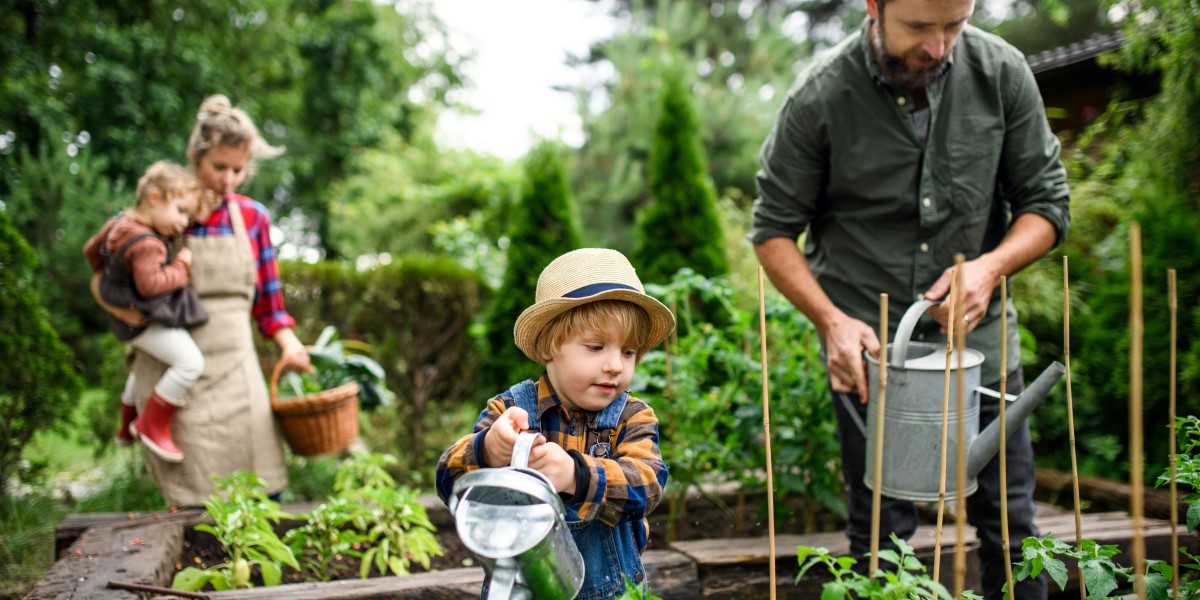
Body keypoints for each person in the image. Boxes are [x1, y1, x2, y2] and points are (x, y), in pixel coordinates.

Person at [748, 0, 1070, 597]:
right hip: (871, 358)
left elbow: (1048, 206)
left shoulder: (1002, 73)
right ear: (874, 7)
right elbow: (770, 229)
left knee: (1016, 534)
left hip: (981, 349)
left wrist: (990, 267)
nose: (939, 46)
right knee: (882, 537)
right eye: (920, 27)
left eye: (956, 25)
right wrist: (831, 322)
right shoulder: (821, 97)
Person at [92, 94, 311, 507]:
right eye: (219, 167)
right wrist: (119, 309)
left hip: (237, 368)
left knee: (264, 485)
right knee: (192, 497)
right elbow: (111, 278)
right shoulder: (168, 214)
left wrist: (289, 344)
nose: (228, 178)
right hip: (177, 374)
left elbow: (268, 299)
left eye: (238, 169)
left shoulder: (252, 218)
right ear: (195, 158)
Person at [435, 248, 675, 600]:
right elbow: (449, 481)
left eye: (629, 352)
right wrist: (490, 449)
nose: (615, 365)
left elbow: (648, 485)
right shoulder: (511, 411)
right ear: (549, 347)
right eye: (596, 347)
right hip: (521, 591)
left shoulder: (632, 417)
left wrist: (578, 476)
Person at [84, 161, 212, 462]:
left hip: (125, 322)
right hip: (144, 321)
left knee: (144, 368)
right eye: (181, 211)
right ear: (154, 198)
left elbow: (90, 251)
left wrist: (110, 281)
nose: (184, 223)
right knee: (190, 363)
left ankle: (125, 426)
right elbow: (151, 285)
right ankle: (150, 424)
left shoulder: (117, 224)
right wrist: (182, 265)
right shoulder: (148, 243)